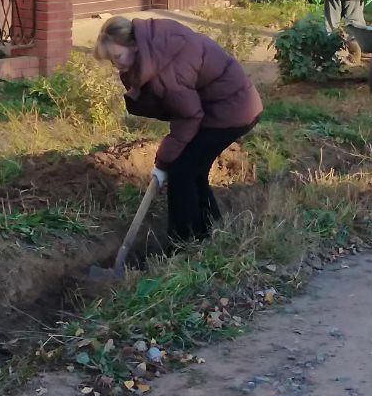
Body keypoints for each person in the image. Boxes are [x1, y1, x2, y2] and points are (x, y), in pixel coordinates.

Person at [94, 16, 262, 242]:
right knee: (193, 171)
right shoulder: (156, 43)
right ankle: (209, 233)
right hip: (224, 105)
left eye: (117, 57)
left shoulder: (167, 69)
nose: (117, 66)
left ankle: (184, 244)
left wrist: (164, 162)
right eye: (111, 61)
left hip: (231, 110)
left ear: (134, 45)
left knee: (181, 173)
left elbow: (188, 116)